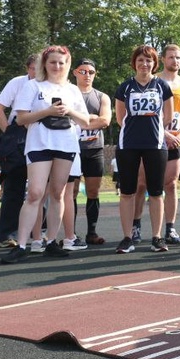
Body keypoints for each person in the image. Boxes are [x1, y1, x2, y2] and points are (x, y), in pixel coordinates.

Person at [1, 46, 95, 264]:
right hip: (39, 144)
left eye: (62, 62)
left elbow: (85, 121)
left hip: (66, 144)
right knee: (34, 193)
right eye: (53, 62)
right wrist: (48, 112)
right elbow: (21, 119)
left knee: (58, 193)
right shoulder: (33, 86)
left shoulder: (72, 91)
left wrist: (68, 111)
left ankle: (51, 241)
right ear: (45, 64)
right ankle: (22, 245)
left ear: (68, 64)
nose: (57, 66)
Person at [114, 45, 174, 254]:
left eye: (148, 60)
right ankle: (127, 237)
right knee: (127, 192)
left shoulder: (162, 86)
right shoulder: (125, 87)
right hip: (128, 144)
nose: (144, 64)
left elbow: (168, 116)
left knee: (156, 192)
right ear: (134, 63)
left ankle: (157, 237)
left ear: (154, 63)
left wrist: (154, 129)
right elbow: (120, 117)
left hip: (155, 145)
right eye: (140, 60)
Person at [131, 44, 180, 246]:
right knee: (142, 184)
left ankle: (170, 228)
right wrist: (163, 133)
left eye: (179, 57)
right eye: (171, 57)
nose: (175, 61)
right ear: (163, 60)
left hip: (174, 140)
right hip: (151, 138)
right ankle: (135, 226)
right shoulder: (154, 82)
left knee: (171, 184)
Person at [65, 58, 112, 248]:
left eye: (91, 72)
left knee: (93, 191)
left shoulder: (101, 97)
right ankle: (71, 233)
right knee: (72, 192)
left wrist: (80, 120)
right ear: (75, 72)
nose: (87, 75)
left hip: (94, 150)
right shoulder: (67, 94)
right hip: (73, 149)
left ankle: (91, 232)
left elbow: (105, 121)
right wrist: (90, 118)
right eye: (83, 71)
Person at [0, 54, 38, 247]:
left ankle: (40, 233)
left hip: (41, 133)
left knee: (40, 188)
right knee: (13, 187)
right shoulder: (17, 83)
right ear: (27, 68)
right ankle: (8, 234)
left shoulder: (53, 83)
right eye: (34, 67)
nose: (38, 71)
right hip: (17, 134)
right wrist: (9, 133)